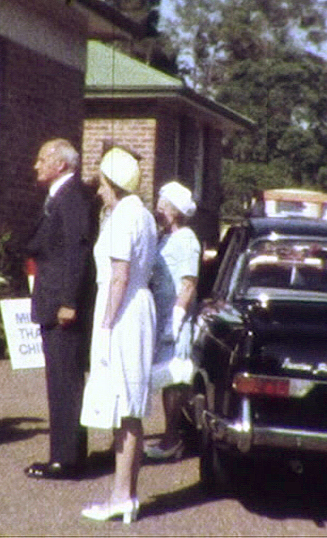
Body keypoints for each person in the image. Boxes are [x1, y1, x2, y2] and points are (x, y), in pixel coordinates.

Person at [80, 146, 156, 524]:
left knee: (125, 407)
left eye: (102, 184)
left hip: (123, 312)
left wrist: (106, 326)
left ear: (114, 184)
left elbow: (119, 276)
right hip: (135, 308)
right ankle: (124, 495)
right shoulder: (141, 214)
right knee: (128, 408)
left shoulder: (125, 215)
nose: (98, 191)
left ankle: (122, 497)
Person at [24, 138, 96, 480]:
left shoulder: (72, 198)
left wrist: (69, 301)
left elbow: (77, 251)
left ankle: (65, 460)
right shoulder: (59, 197)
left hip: (61, 306)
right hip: (52, 300)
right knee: (60, 380)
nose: (36, 165)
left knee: (65, 382)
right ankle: (69, 454)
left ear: (61, 164)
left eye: (42, 159)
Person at [146, 181, 200, 461]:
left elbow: (188, 283)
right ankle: (172, 436)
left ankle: (173, 439)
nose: (159, 210)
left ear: (176, 211)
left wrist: (177, 318)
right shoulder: (163, 237)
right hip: (161, 315)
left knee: (175, 380)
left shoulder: (187, 239)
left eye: (164, 206)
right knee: (167, 378)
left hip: (175, 319)